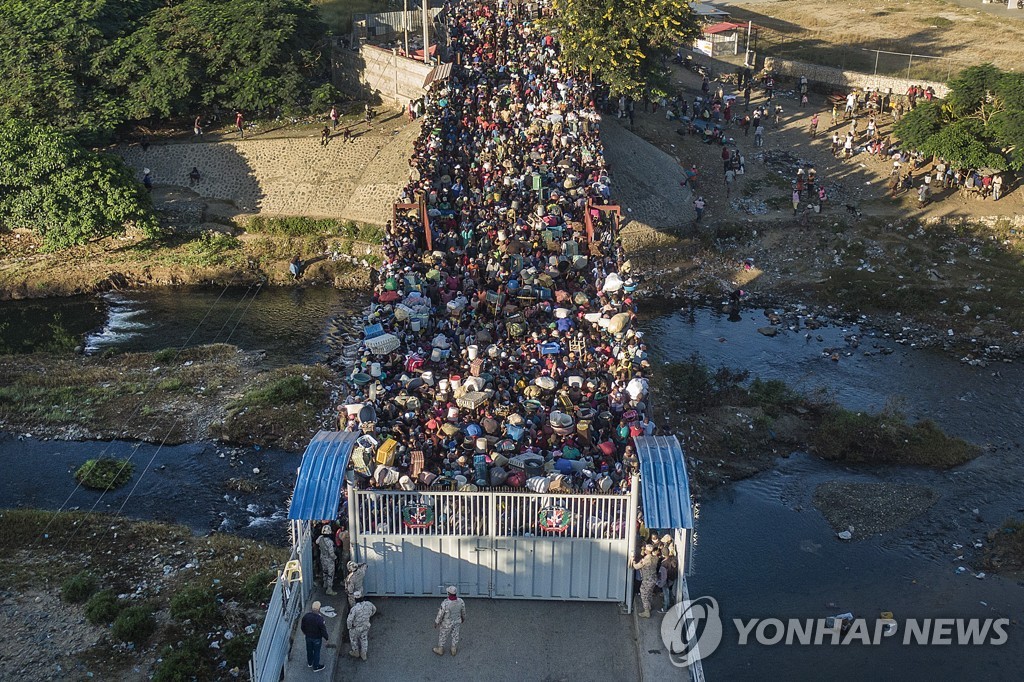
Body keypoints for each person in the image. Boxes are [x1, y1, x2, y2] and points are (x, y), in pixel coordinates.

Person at [433, 585, 466, 656]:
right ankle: (453, 649)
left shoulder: (445, 603)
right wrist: (463, 618)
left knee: (443, 635)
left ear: (448, 593)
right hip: (456, 622)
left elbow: (440, 614)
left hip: (446, 623)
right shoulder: (461, 601)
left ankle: (440, 649)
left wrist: (436, 622)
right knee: (455, 635)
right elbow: (463, 611)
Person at [346, 592, 377, 661]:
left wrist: (349, 627)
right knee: (364, 639)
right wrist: (369, 616)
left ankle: (356, 652)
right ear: (362, 597)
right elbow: (374, 609)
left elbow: (349, 620)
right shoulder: (368, 604)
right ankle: (364, 654)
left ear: (355, 599)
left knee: (353, 640)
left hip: (356, 627)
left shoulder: (354, 609)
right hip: (365, 625)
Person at [301, 601, 330, 672]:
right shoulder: (320, 619)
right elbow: (323, 630)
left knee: (309, 650)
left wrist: (305, 633)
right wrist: (326, 638)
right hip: (317, 638)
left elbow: (302, 626)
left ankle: (310, 662)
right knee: (316, 652)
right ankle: (316, 666)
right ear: (319, 609)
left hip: (308, 637)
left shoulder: (306, 616)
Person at [632, 544, 659, 618]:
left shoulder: (645, 560)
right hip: (654, 578)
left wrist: (633, 561)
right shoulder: (655, 558)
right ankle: (649, 606)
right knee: (649, 593)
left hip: (647, 579)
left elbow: (636, 567)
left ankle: (646, 611)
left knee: (644, 594)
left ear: (647, 551)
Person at [317, 524, 337, 594]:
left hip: (322, 558)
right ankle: (329, 589)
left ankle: (324, 584)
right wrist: (335, 558)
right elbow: (331, 553)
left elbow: (316, 542)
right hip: (329, 560)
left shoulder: (320, 538)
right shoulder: (330, 542)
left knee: (324, 572)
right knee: (330, 574)